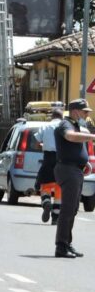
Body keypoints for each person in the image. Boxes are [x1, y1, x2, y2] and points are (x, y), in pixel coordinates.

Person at [53, 99, 95, 258]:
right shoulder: (66, 125)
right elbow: (70, 137)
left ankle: (67, 243)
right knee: (67, 209)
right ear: (76, 111)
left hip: (75, 171)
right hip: (67, 169)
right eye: (85, 112)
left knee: (73, 209)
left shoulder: (76, 126)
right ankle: (61, 246)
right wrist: (90, 136)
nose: (87, 115)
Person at [34, 108, 64, 223]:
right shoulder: (64, 127)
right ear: (62, 117)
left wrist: (44, 145)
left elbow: (37, 144)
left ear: (52, 116)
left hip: (48, 158)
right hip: (61, 159)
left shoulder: (45, 127)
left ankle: (46, 202)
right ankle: (55, 217)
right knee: (59, 188)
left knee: (45, 185)